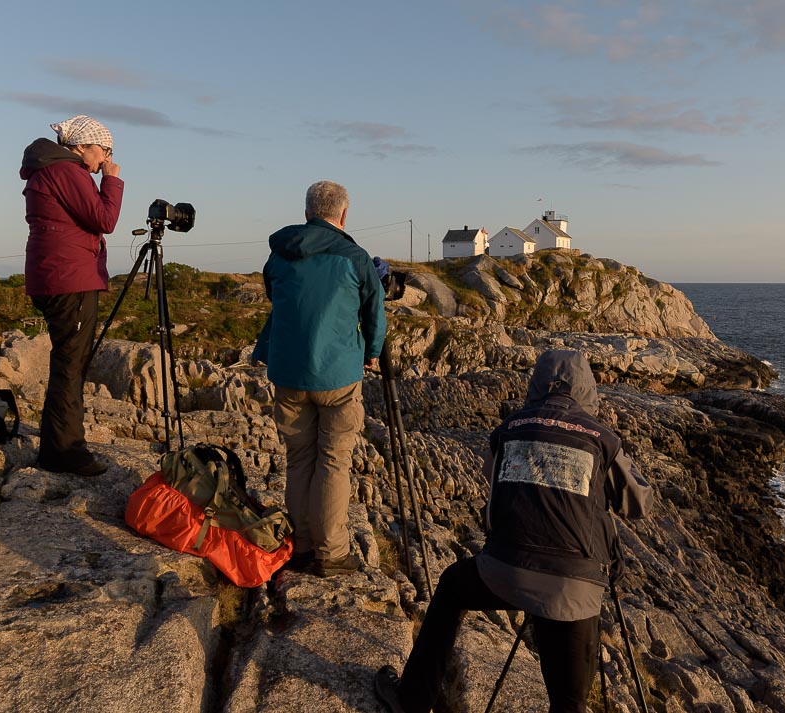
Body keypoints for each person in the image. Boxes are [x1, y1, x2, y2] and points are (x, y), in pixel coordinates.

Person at [374, 349, 653, 713]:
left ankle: (412, 700)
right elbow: (639, 504)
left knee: (452, 587)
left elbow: (493, 488)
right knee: (570, 703)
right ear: (587, 390)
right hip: (573, 587)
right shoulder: (603, 439)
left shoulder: (509, 428)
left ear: (535, 385)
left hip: (505, 571)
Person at [253, 180, 386, 577]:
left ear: (308, 211)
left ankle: (303, 546)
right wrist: (372, 353)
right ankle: (332, 553)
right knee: (334, 462)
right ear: (343, 214)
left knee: (299, 459)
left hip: (289, 374)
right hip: (338, 377)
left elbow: (276, 297)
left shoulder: (279, 255)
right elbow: (374, 315)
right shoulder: (355, 257)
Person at [20, 115, 122, 476]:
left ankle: (58, 444)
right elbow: (104, 218)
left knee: (68, 360)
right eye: (104, 149)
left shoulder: (49, 170)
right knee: (71, 365)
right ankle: (65, 453)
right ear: (82, 146)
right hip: (70, 280)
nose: (107, 156)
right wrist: (111, 180)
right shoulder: (67, 171)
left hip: (55, 276)